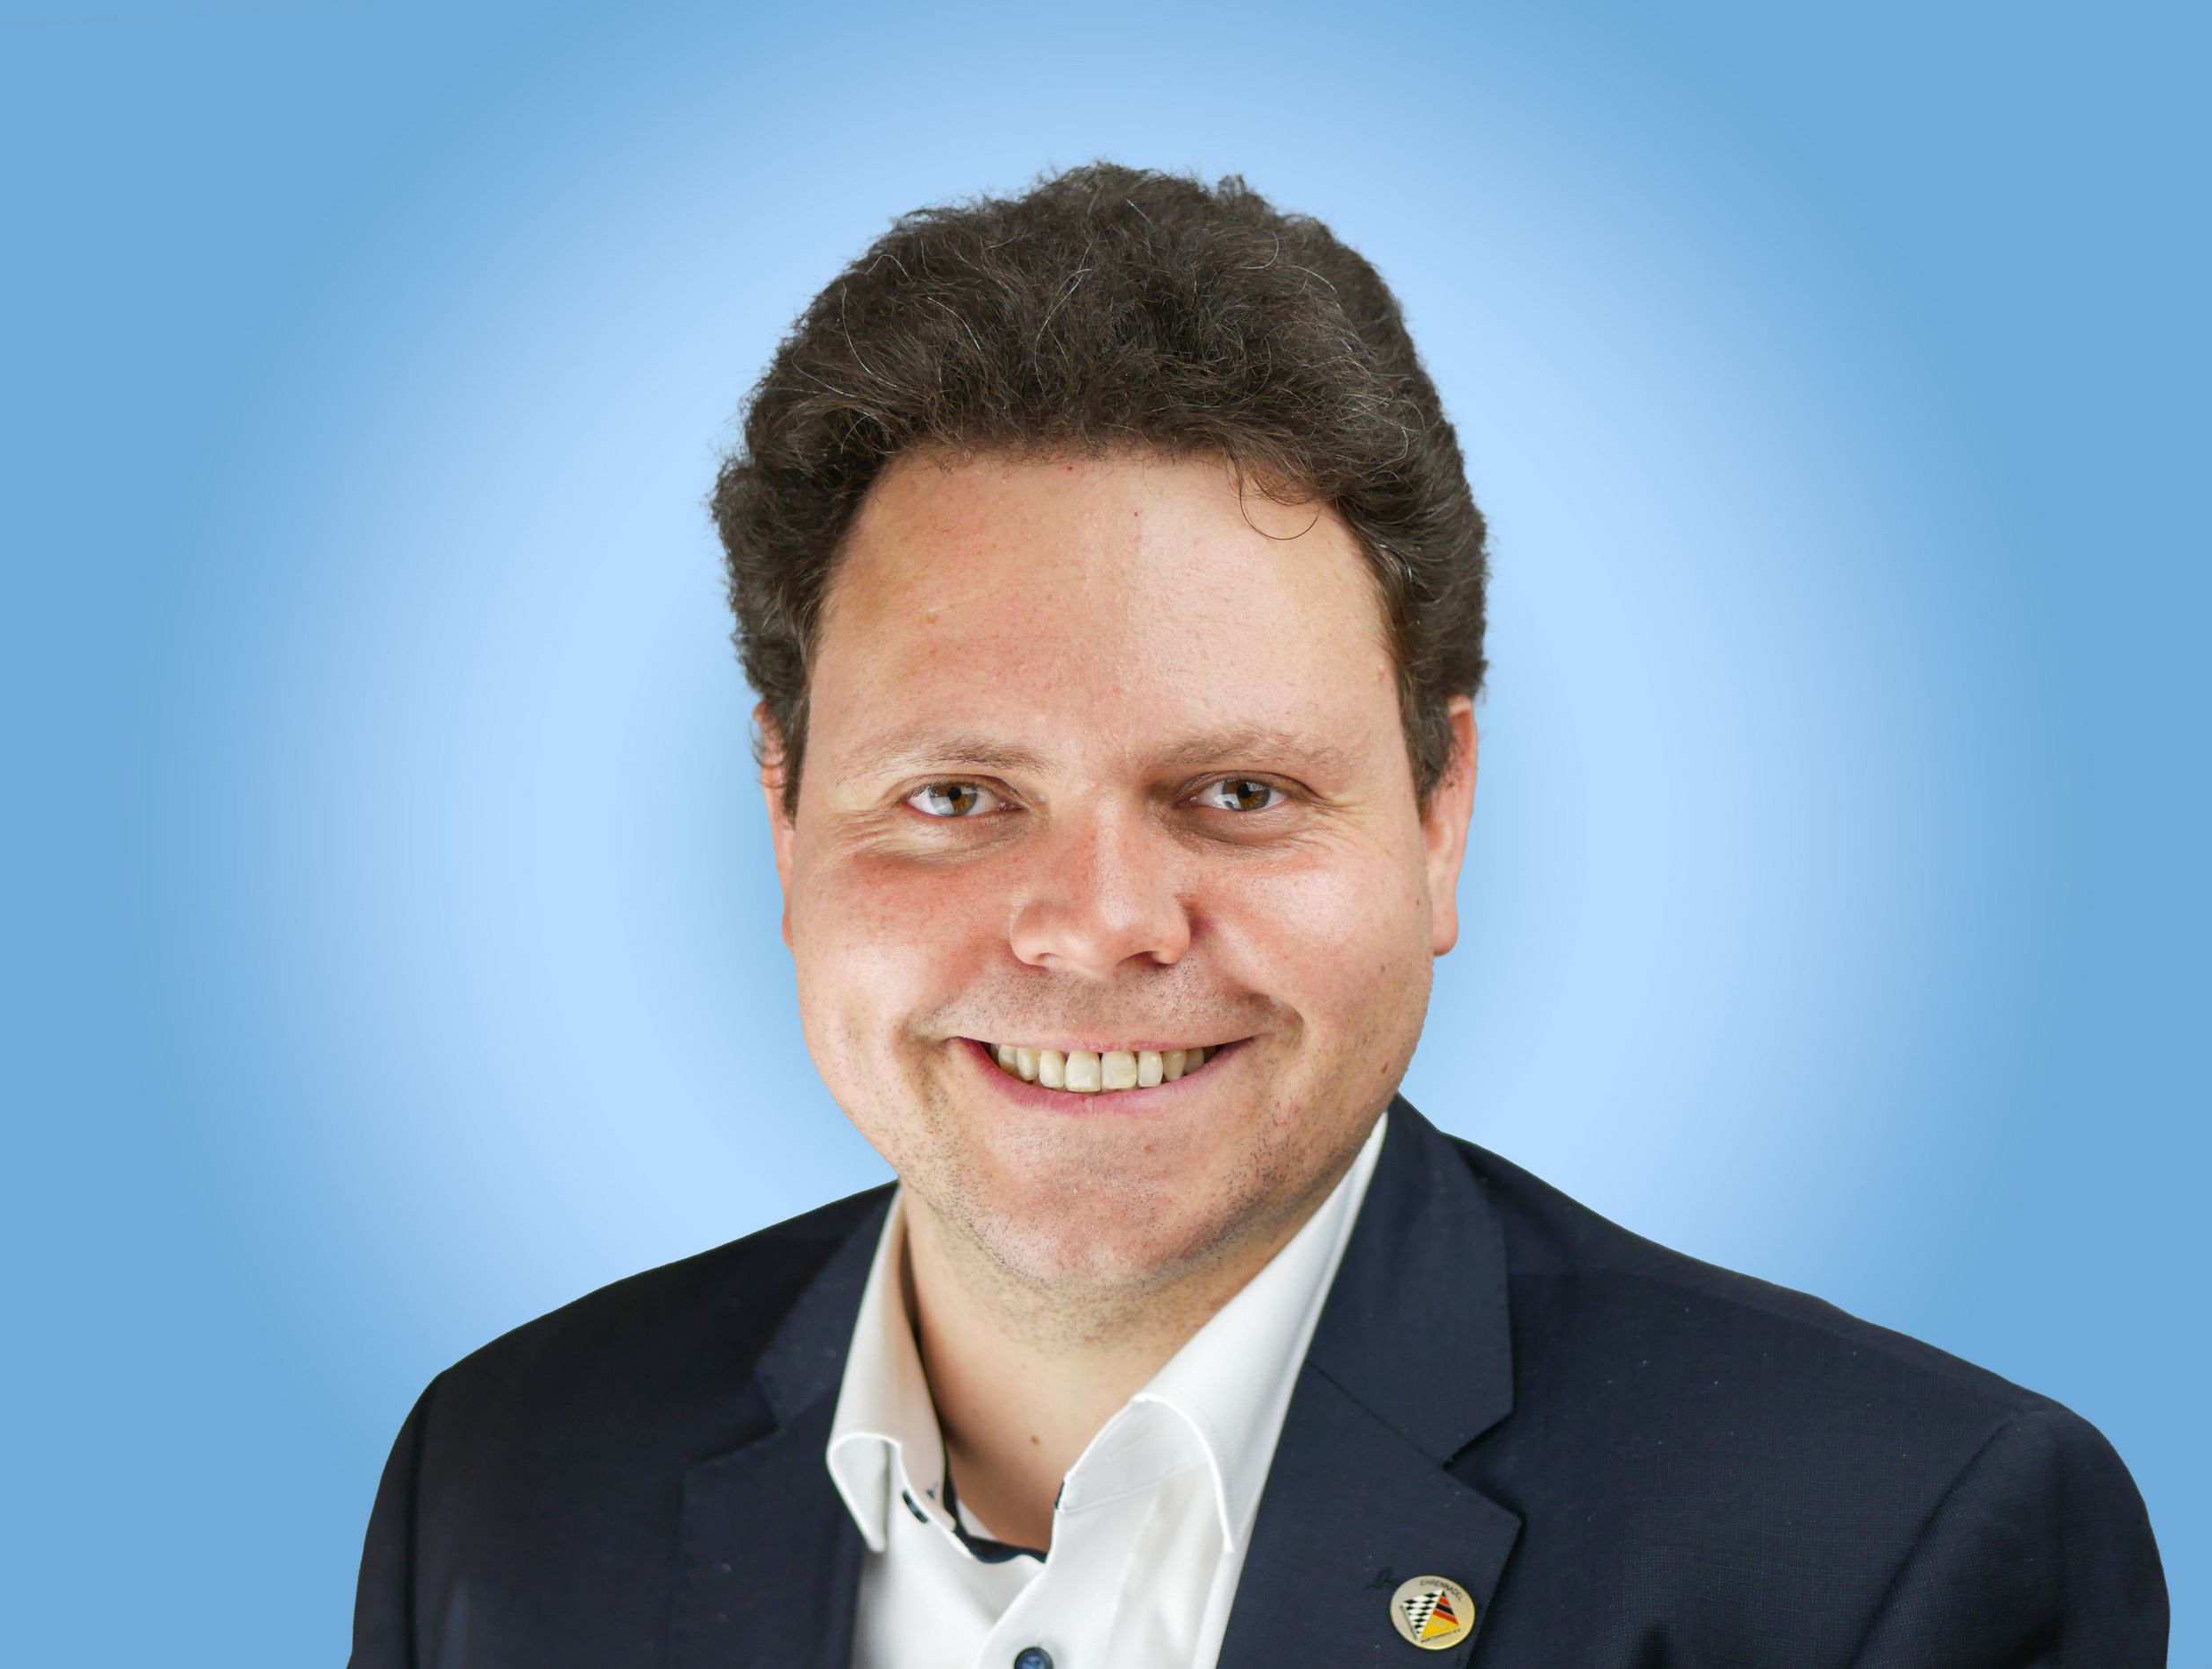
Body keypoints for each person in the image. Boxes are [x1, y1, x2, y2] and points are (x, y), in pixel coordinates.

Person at [349, 163, 2166, 1668]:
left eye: (1235, 793)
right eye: (957, 797)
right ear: (781, 816)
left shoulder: (1893, 1557)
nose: (1097, 925)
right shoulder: (503, 1484)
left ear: (1441, 813)